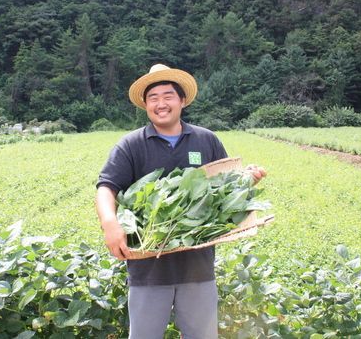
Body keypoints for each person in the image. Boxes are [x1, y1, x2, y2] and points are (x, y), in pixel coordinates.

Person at [95, 64, 266, 338]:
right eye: (153, 98)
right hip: (147, 271)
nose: (161, 104)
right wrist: (110, 223)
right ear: (145, 104)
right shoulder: (130, 145)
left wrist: (246, 181)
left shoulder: (205, 140)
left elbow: (223, 187)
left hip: (197, 271)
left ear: (182, 100)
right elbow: (106, 188)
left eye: (168, 96)